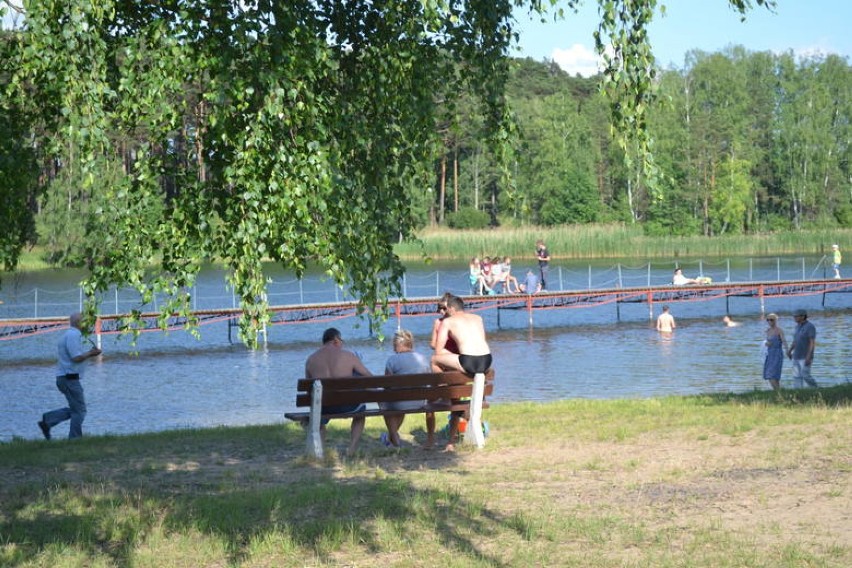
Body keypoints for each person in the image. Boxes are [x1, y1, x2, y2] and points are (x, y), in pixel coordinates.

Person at [431, 295, 492, 451]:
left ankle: (444, 390)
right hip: (486, 360)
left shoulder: (448, 321)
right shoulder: (478, 318)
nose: (445, 311)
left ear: (451, 308)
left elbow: (438, 350)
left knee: (434, 360)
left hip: (468, 361)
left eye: (446, 309)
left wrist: (449, 353)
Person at [305, 327, 373, 455]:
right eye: (341, 341)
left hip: (323, 407)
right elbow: (370, 378)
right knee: (361, 413)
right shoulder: (349, 356)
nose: (342, 344)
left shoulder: (311, 359)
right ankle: (352, 448)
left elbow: (309, 391)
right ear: (336, 340)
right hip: (348, 406)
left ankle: (321, 451)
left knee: (318, 413)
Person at [38, 312, 102, 440]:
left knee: (76, 408)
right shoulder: (73, 335)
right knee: (80, 410)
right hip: (69, 379)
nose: (88, 324)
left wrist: (90, 353)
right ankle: (75, 439)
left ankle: (48, 420)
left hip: (65, 378)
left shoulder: (68, 334)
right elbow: (76, 358)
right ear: (80, 323)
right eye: (86, 322)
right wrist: (91, 353)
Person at [381, 329, 434, 448]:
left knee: (383, 400)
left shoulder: (392, 360)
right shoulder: (423, 358)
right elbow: (429, 380)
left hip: (399, 403)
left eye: (394, 344)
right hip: (420, 402)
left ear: (397, 344)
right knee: (397, 400)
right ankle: (392, 437)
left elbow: (386, 385)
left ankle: (393, 437)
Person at [787, 309, 818, 388]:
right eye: (794, 316)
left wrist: (809, 356)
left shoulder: (810, 326)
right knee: (796, 376)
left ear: (803, 316)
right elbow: (795, 341)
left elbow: (812, 342)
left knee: (805, 375)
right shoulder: (797, 327)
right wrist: (790, 351)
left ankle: (815, 388)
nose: (794, 318)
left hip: (805, 356)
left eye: (796, 316)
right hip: (796, 355)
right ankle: (798, 391)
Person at [762, 313, 788, 392]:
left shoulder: (779, 331)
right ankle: (778, 392)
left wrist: (788, 351)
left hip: (777, 354)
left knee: (773, 375)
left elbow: (784, 341)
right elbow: (765, 343)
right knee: (769, 374)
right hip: (769, 354)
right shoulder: (767, 331)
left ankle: (777, 392)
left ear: (776, 320)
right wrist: (766, 344)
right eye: (768, 320)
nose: (770, 321)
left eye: (772, 320)